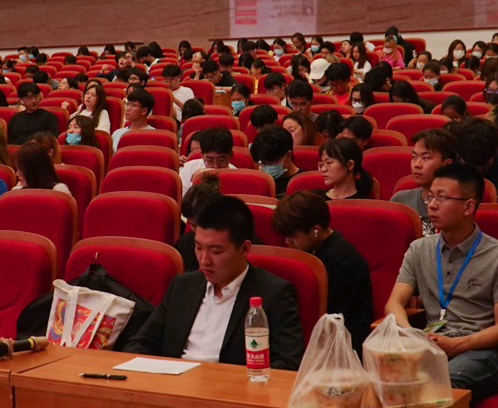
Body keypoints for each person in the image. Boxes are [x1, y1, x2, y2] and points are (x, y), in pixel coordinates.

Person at [386, 164, 498, 400]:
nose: (432, 204)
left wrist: (457, 344)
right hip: (432, 343)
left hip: (481, 349)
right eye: (430, 196)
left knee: (439, 382)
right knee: (382, 375)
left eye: (442, 198)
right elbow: (394, 303)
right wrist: (412, 336)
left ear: (469, 206)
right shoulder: (419, 250)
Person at [123, 196, 304, 369]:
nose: (204, 260)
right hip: (174, 384)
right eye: (198, 247)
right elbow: (141, 343)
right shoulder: (182, 285)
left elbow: (287, 363)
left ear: (244, 249)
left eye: (216, 251)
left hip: (232, 386)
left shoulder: (274, 293)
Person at [272, 191, 374, 350]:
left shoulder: (341, 259)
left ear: (315, 230)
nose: (287, 242)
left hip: (344, 339)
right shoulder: (313, 248)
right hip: (320, 330)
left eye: (292, 236)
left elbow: (327, 313)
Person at [391, 129, 458, 236]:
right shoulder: (400, 200)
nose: (417, 164)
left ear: (446, 164)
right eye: (414, 157)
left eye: (425, 158)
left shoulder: (457, 204)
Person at [449, 117, 498, 202]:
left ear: (495, 151)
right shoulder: (448, 164)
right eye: (470, 166)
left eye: (483, 167)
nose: (478, 171)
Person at [180, 127, 238, 193]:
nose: (215, 166)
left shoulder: (237, 175)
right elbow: (183, 198)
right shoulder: (190, 168)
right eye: (209, 160)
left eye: (221, 160)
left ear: (231, 155)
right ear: (201, 155)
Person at [250, 126, 301, 195]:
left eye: (272, 162)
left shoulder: (304, 182)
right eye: (264, 163)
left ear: (288, 155)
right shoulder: (259, 184)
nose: (268, 167)